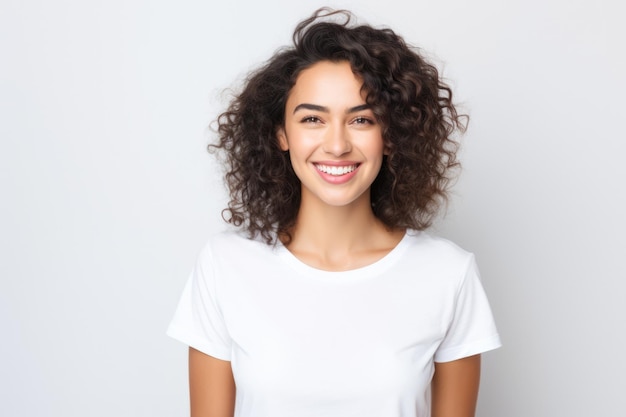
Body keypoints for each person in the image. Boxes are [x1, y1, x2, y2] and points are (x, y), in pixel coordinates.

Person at [168, 8, 501, 417]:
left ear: (391, 135)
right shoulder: (225, 266)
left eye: (361, 119)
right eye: (312, 119)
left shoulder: (448, 273)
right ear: (281, 135)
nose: (337, 145)